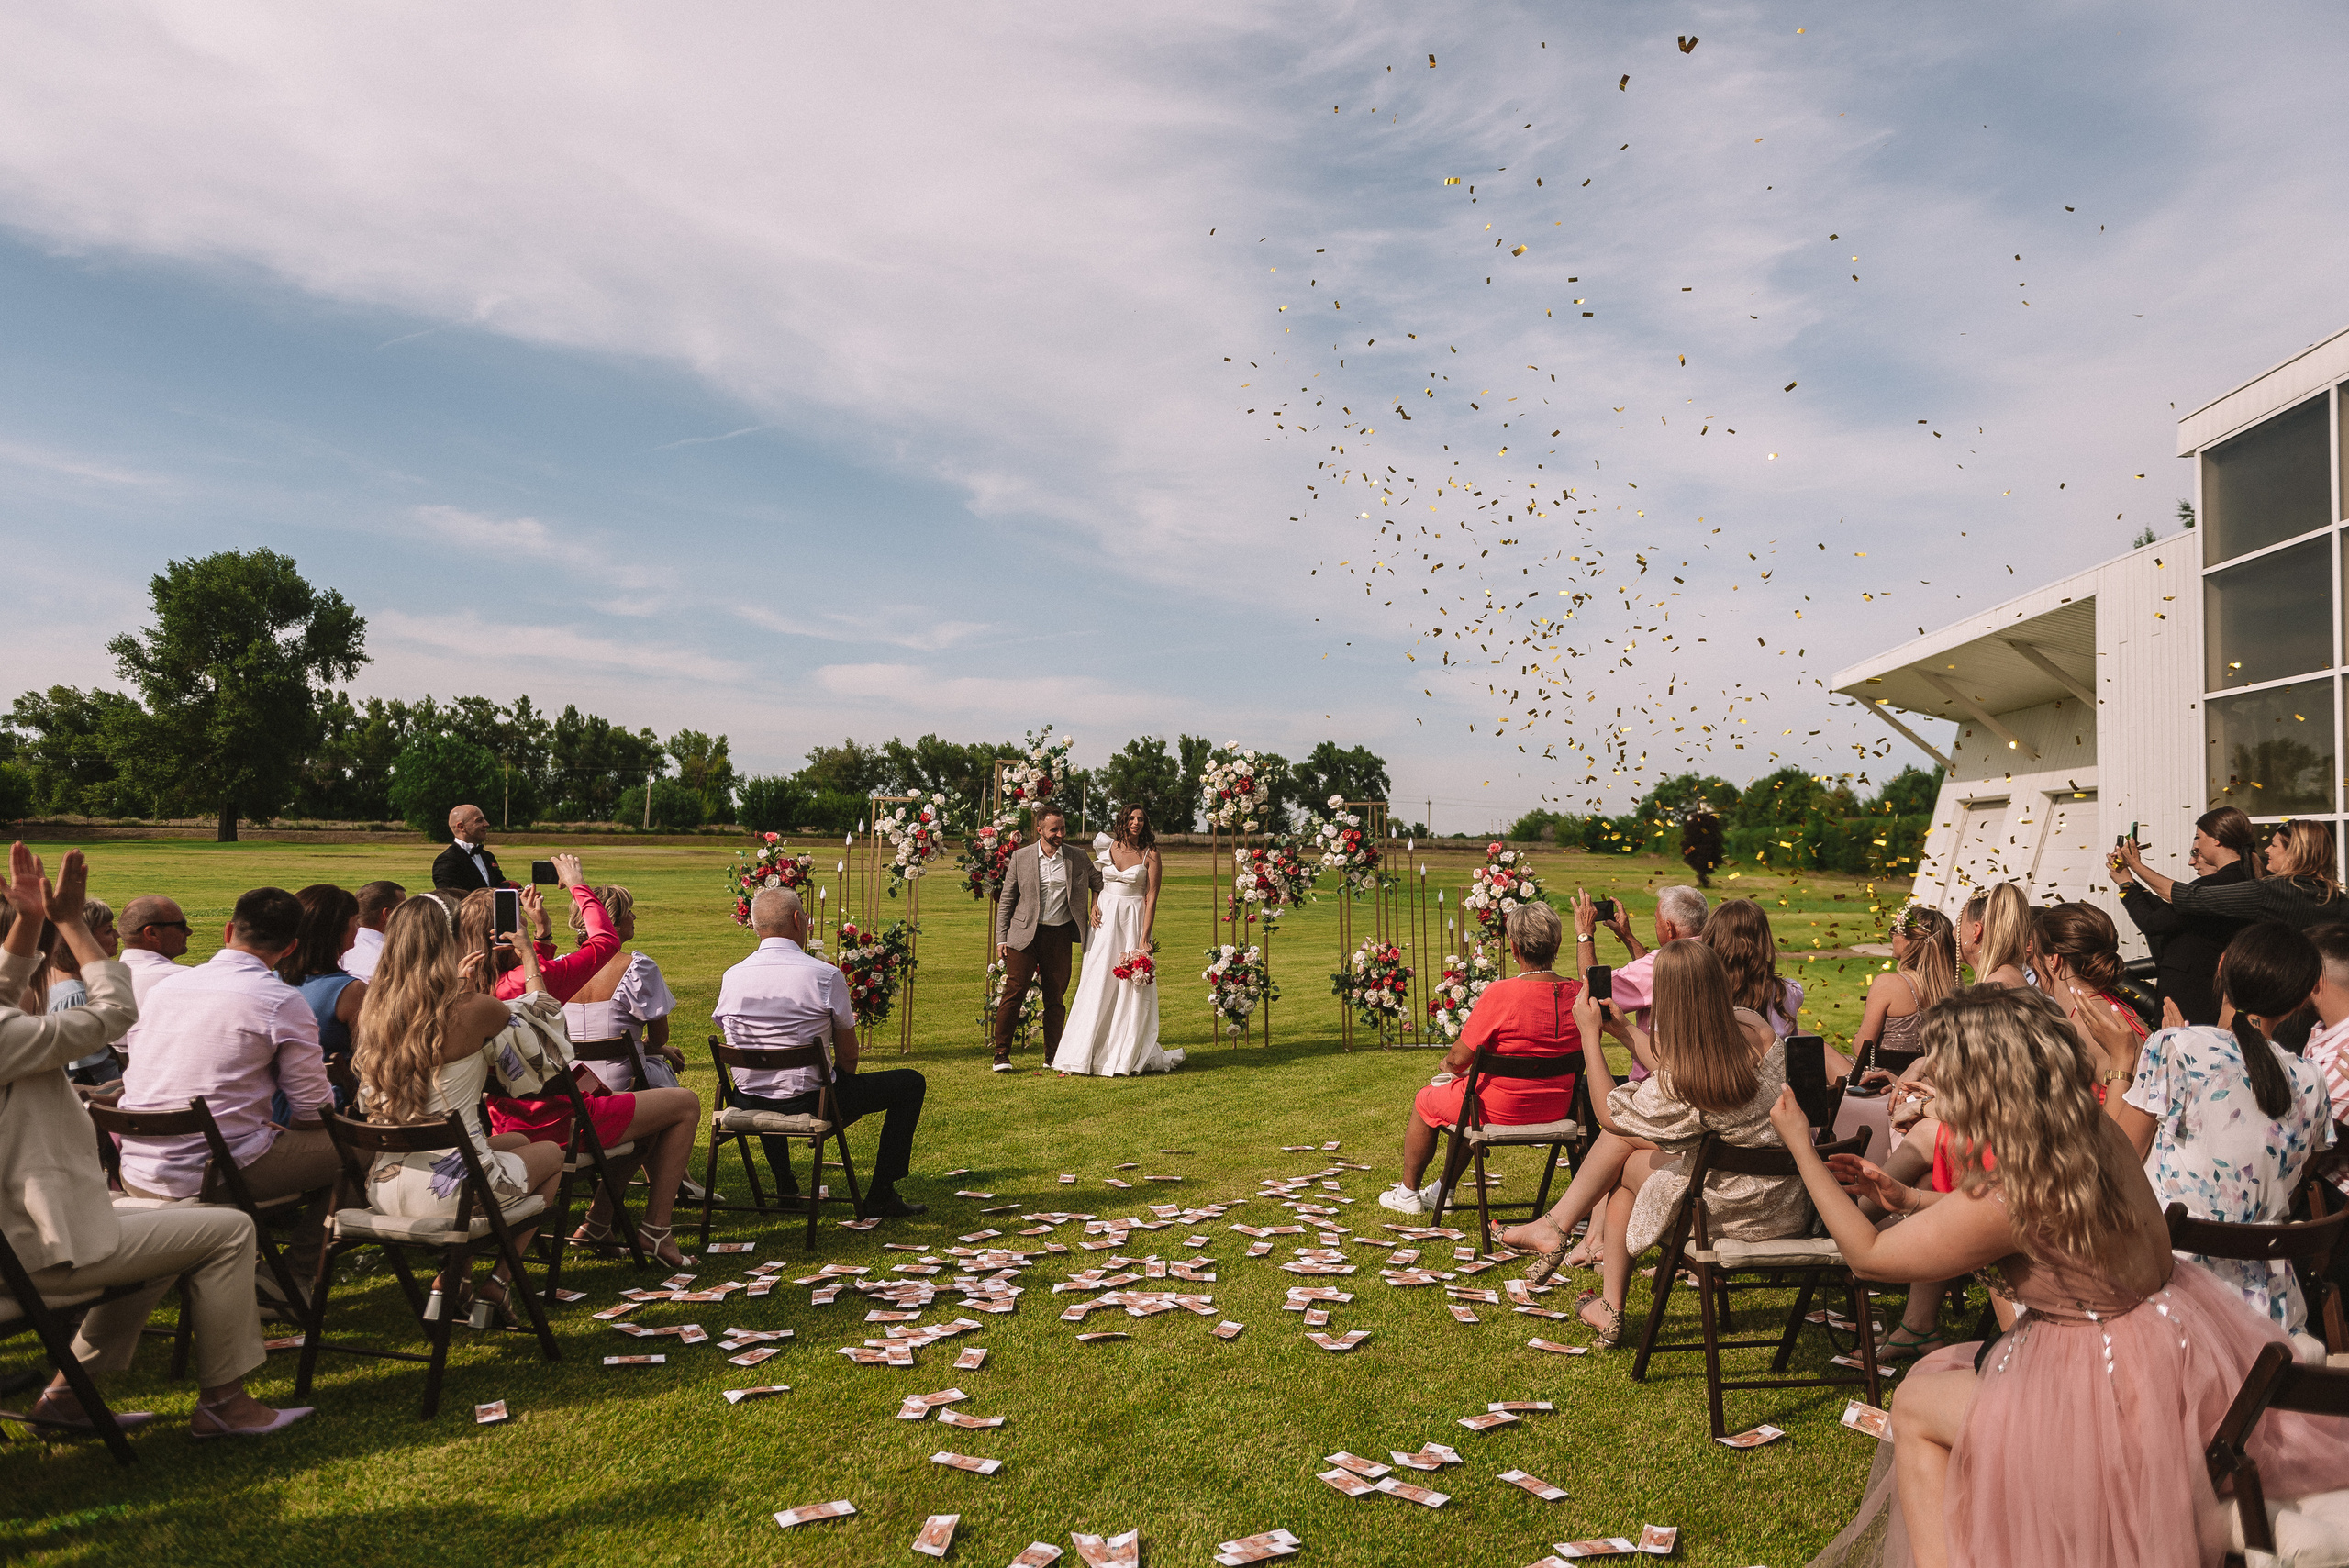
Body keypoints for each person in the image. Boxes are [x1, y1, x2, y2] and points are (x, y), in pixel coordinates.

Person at [1792, 986, 2349, 1568]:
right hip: (2176, 1352)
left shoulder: (2016, 1188)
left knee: (1914, 1404)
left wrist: (1802, 1148)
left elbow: (1869, 1255)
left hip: (2105, 1385)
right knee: (1950, 1369)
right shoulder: (2089, 1133)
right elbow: (2025, 1227)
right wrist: (1909, 1197)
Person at [0, 843, 310, 1439]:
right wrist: (66, 921)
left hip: (29, 1233)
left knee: (169, 1222)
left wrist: (28, 919)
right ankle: (227, 1401)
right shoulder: (12, 1033)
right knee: (227, 1228)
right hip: (32, 1250)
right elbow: (116, 1008)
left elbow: (4, 987)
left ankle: (68, 1396)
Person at [2090, 922, 2332, 1335]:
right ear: (2298, 1002)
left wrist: (2120, 1062)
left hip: (2169, 1294)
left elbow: (2116, 1161)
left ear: (2221, 967)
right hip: (2270, 1311)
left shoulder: (2177, 1048)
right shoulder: (2311, 1079)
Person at [116, 887, 342, 1310]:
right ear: (291, 947)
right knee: (360, 1150)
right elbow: (315, 1113)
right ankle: (289, 1275)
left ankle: (273, 1267)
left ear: (227, 931)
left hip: (138, 1166)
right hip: (215, 1172)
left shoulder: (170, 986)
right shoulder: (279, 1000)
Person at [1563, 940, 1797, 1348]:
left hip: (1722, 1212)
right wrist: (1622, 1030)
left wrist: (1591, 1036)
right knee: (1636, 1157)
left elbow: (1609, 1115)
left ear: (1666, 998)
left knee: (1626, 1172)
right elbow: (1688, 1064)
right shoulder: (1755, 1029)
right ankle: (1561, 1230)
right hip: (1784, 1202)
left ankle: (1610, 1306)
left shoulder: (1684, 1074)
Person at [353, 896, 566, 1322]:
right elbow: (545, 1047)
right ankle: (498, 1284)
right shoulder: (474, 1009)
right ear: (448, 943)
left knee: (518, 1140)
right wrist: (529, 956)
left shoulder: (373, 1011)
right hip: (450, 1195)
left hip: (383, 1185)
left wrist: (460, 992)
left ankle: (454, 1279)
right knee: (554, 1156)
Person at [714, 887, 927, 1218]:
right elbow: (848, 1059)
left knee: (768, 1076)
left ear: (755, 927)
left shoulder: (732, 976)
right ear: (800, 921)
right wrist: (842, 1103)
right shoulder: (824, 975)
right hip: (810, 1100)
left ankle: (785, 1186)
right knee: (910, 1083)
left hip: (747, 1099)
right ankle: (882, 1193)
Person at [1380, 901, 1580, 1215]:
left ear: (1513, 947)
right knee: (1464, 1102)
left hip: (1499, 1108)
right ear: (1556, 944)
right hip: (1558, 1107)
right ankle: (1441, 1190)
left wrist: (1448, 1067)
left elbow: (1459, 1059)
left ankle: (1408, 1193)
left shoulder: (1502, 993)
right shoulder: (1578, 992)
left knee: (1427, 1100)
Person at [1055, 805, 1185, 1077]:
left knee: (1128, 985)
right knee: (1097, 979)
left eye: (1141, 819)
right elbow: (1097, 881)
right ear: (1123, 821)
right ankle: (1081, 1052)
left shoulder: (1150, 854)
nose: (1136, 823)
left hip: (1132, 919)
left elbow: (1151, 897)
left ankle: (1122, 1052)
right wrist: (1094, 903)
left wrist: (1143, 937)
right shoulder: (1108, 847)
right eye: (1132, 818)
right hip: (1104, 921)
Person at [2110, 807, 2260, 1026]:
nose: (2196, 846)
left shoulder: (2220, 884)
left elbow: (2153, 922)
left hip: (2193, 993)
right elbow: (2170, 912)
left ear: (2216, 839)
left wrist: (2128, 880)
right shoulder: (2233, 880)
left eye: (2198, 837)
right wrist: (2129, 883)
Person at [990, 806, 1103, 1072]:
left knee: (1055, 998)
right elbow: (1007, 900)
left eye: (1062, 828)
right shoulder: (1022, 857)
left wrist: (1095, 904)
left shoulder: (1077, 856)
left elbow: (1098, 882)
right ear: (1039, 830)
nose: (1060, 834)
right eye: (1054, 829)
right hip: (1024, 936)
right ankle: (1001, 1055)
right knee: (1014, 992)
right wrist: (1001, 937)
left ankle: (1053, 1057)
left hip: (1060, 936)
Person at [2116, 816, 2347, 935]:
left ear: (2296, 853)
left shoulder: (2270, 891)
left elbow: (2187, 897)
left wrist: (2134, 866)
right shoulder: (2337, 900)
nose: (2266, 850)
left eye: (2275, 846)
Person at [1574, 883, 1708, 1075]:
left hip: (1653, 1081)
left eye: (1657, 920)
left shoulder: (1661, 965)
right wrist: (1626, 936)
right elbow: (1649, 981)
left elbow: (1593, 994)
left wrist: (1584, 934)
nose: (1655, 925)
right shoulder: (1710, 953)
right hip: (1696, 1073)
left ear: (1669, 929)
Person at [561, 884, 684, 1091]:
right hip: (624, 1085)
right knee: (685, 1101)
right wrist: (655, 1048)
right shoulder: (638, 969)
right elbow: (658, 1038)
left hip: (573, 1085)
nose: (634, 917)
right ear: (610, 921)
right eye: (628, 911)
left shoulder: (560, 969)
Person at [277, 884, 364, 1110]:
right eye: (355, 921)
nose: (358, 928)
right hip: (330, 1109)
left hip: (274, 1105)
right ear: (336, 931)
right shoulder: (351, 992)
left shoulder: (272, 980)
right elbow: (370, 1061)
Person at [1849, 904, 1960, 1077]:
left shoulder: (1887, 984)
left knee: (1812, 1045)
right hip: (1926, 1082)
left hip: (1878, 1081)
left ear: (1910, 940)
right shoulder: (1956, 992)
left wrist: (1857, 1038)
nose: (1891, 936)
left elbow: (1862, 1049)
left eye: (1895, 930)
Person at [115, 894, 191, 1010]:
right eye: (181, 926)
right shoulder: (183, 978)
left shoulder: (104, 981)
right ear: (152, 933)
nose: (189, 931)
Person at [1958, 883, 2032, 988]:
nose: (1954, 931)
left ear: (1976, 931)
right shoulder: (2004, 977)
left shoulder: (1996, 985)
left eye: (1958, 923)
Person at [431, 804, 508, 892]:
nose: (486, 824)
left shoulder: (488, 856)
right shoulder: (446, 861)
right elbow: (450, 898)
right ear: (461, 827)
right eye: (479, 820)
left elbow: (500, 886)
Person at [341, 879, 405, 984]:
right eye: (404, 910)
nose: (408, 915)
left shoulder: (339, 948)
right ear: (387, 915)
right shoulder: (395, 957)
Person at [1680, 808, 1724, 889]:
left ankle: (1703, 878)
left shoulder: (1705, 827)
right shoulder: (1702, 827)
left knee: (1704, 863)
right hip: (1700, 849)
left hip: (1704, 849)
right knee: (1702, 863)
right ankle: (1702, 878)